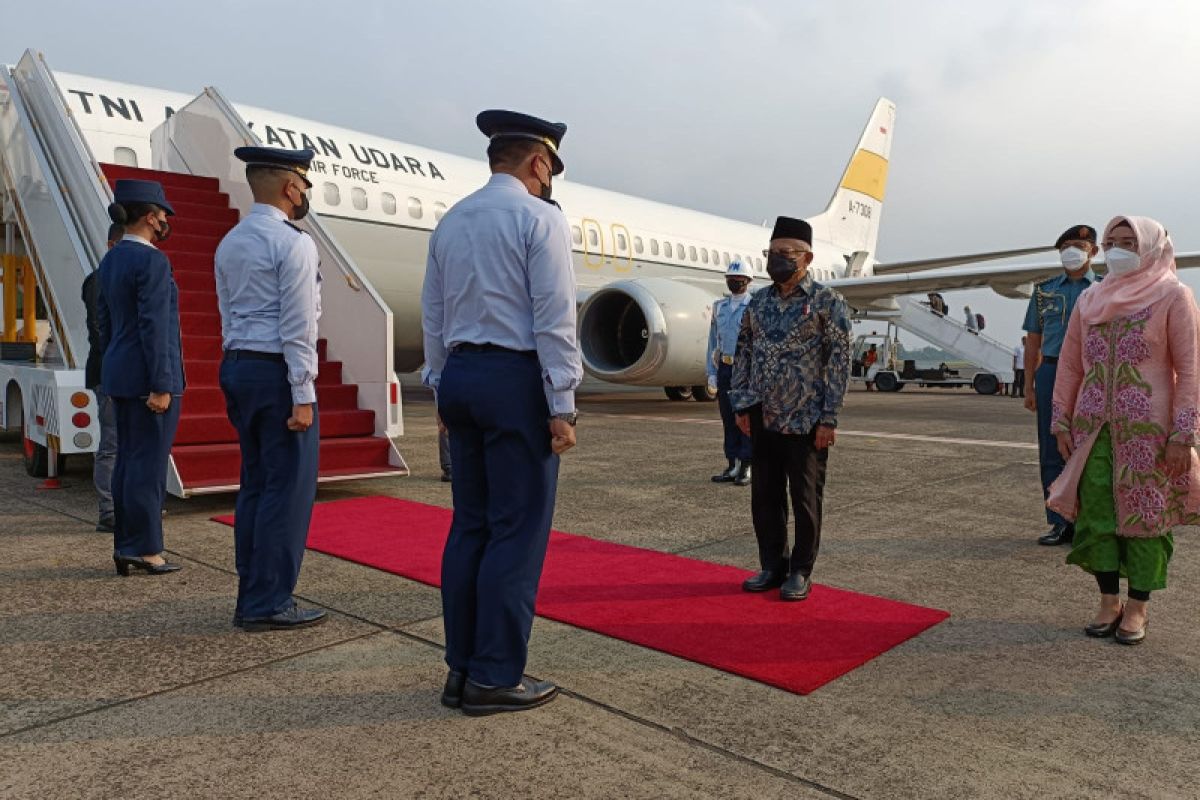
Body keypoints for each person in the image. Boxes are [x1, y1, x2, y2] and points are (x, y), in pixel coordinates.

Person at [421, 109, 582, 715]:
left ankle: (461, 668)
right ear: (539, 162)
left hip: (461, 374)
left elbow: (432, 312)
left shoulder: (452, 220)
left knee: (471, 525)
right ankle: (495, 675)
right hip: (514, 380)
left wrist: (440, 386)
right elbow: (554, 316)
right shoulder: (538, 218)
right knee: (517, 532)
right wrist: (561, 403)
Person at [1047, 216, 1200, 645]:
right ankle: (1108, 601)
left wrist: (1182, 434)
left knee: (1146, 520)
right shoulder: (1091, 300)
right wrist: (1061, 419)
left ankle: (1138, 607)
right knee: (1097, 518)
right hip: (1093, 430)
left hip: (1151, 434)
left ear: (1151, 246)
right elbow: (1072, 365)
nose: (1117, 249)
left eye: (1129, 242)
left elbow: (1189, 371)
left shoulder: (1174, 296)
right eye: (1111, 241)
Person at [215, 146, 327, 632]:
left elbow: (226, 313)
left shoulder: (231, 241)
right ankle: (269, 601)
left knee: (257, 485)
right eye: (303, 185)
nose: (304, 194)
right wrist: (303, 393)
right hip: (278, 372)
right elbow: (299, 324)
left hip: (239, 365)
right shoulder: (293, 243)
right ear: (289, 187)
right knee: (288, 491)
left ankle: (252, 591)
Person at [731, 216, 851, 601]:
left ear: (807, 257)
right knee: (764, 496)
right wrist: (741, 405)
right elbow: (744, 353)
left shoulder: (827, 303)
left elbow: (839, 362)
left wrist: (829, 417)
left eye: (786, 253)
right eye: (772, 253)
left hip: (806, 420)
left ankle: (800, 570)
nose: (777, 260)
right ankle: (772, 564)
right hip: (764, 416)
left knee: (804, 499)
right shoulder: (759, 302)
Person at [96, 180, 184, 576]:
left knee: (128, 464)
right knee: (148, 467)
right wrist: (162, 384)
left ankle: (125, 545)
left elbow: (104, 322)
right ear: (150, 216)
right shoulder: (153, 261)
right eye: (162, 213)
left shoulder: (110, 260)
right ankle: (146, 549)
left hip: (120, 373)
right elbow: (155, 328)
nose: (165, 220)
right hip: (149, 378)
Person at [1023, 224, 1100, 546]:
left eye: (1079, 245)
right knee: (1052, 449)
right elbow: (1033, 341)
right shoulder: (1044, 292)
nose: (1072, 251)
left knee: (1092, 449)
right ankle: (1059, 522)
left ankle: (1092, 523)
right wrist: (1028, 385)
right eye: (1066, 245)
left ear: (1093, 251)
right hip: (1051, 373)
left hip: (1092, 375)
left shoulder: (1107, 288)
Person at [82, 222, 124, 532]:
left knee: (125, 443)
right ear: (111, 246)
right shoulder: (98, 280)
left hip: (123, 372)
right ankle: (108, 511)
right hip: (107, 373)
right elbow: (99, 331)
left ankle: (124, 504)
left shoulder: (123, 278)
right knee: (111, 444)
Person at [706, 260, 753, 486]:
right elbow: (712, 342)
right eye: (730, 279)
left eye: (739, 279)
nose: (734, 282)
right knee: (727, 418)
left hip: (745, 369)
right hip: (724, 367)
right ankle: (732, 463)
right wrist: (711, 371)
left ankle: (746, 466)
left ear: (748, 281)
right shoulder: (719, 307)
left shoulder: (754, 307)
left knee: (745, 418)